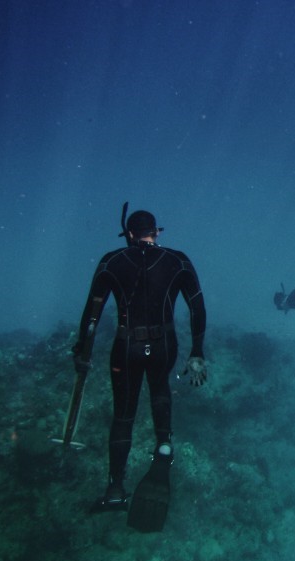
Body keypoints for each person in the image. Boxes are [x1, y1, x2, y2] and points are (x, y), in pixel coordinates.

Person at [73, 206, 207, 524]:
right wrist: (197, 352)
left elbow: (92, 314)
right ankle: (163, 447)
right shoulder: (178, 260)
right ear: (156, 232)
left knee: (123, 415)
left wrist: (83, 351)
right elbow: (197, 307)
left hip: (126, 346)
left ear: (130, 235)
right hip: (164, 344)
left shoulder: (112, 261)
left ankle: (115, 488)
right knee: (160, 390)